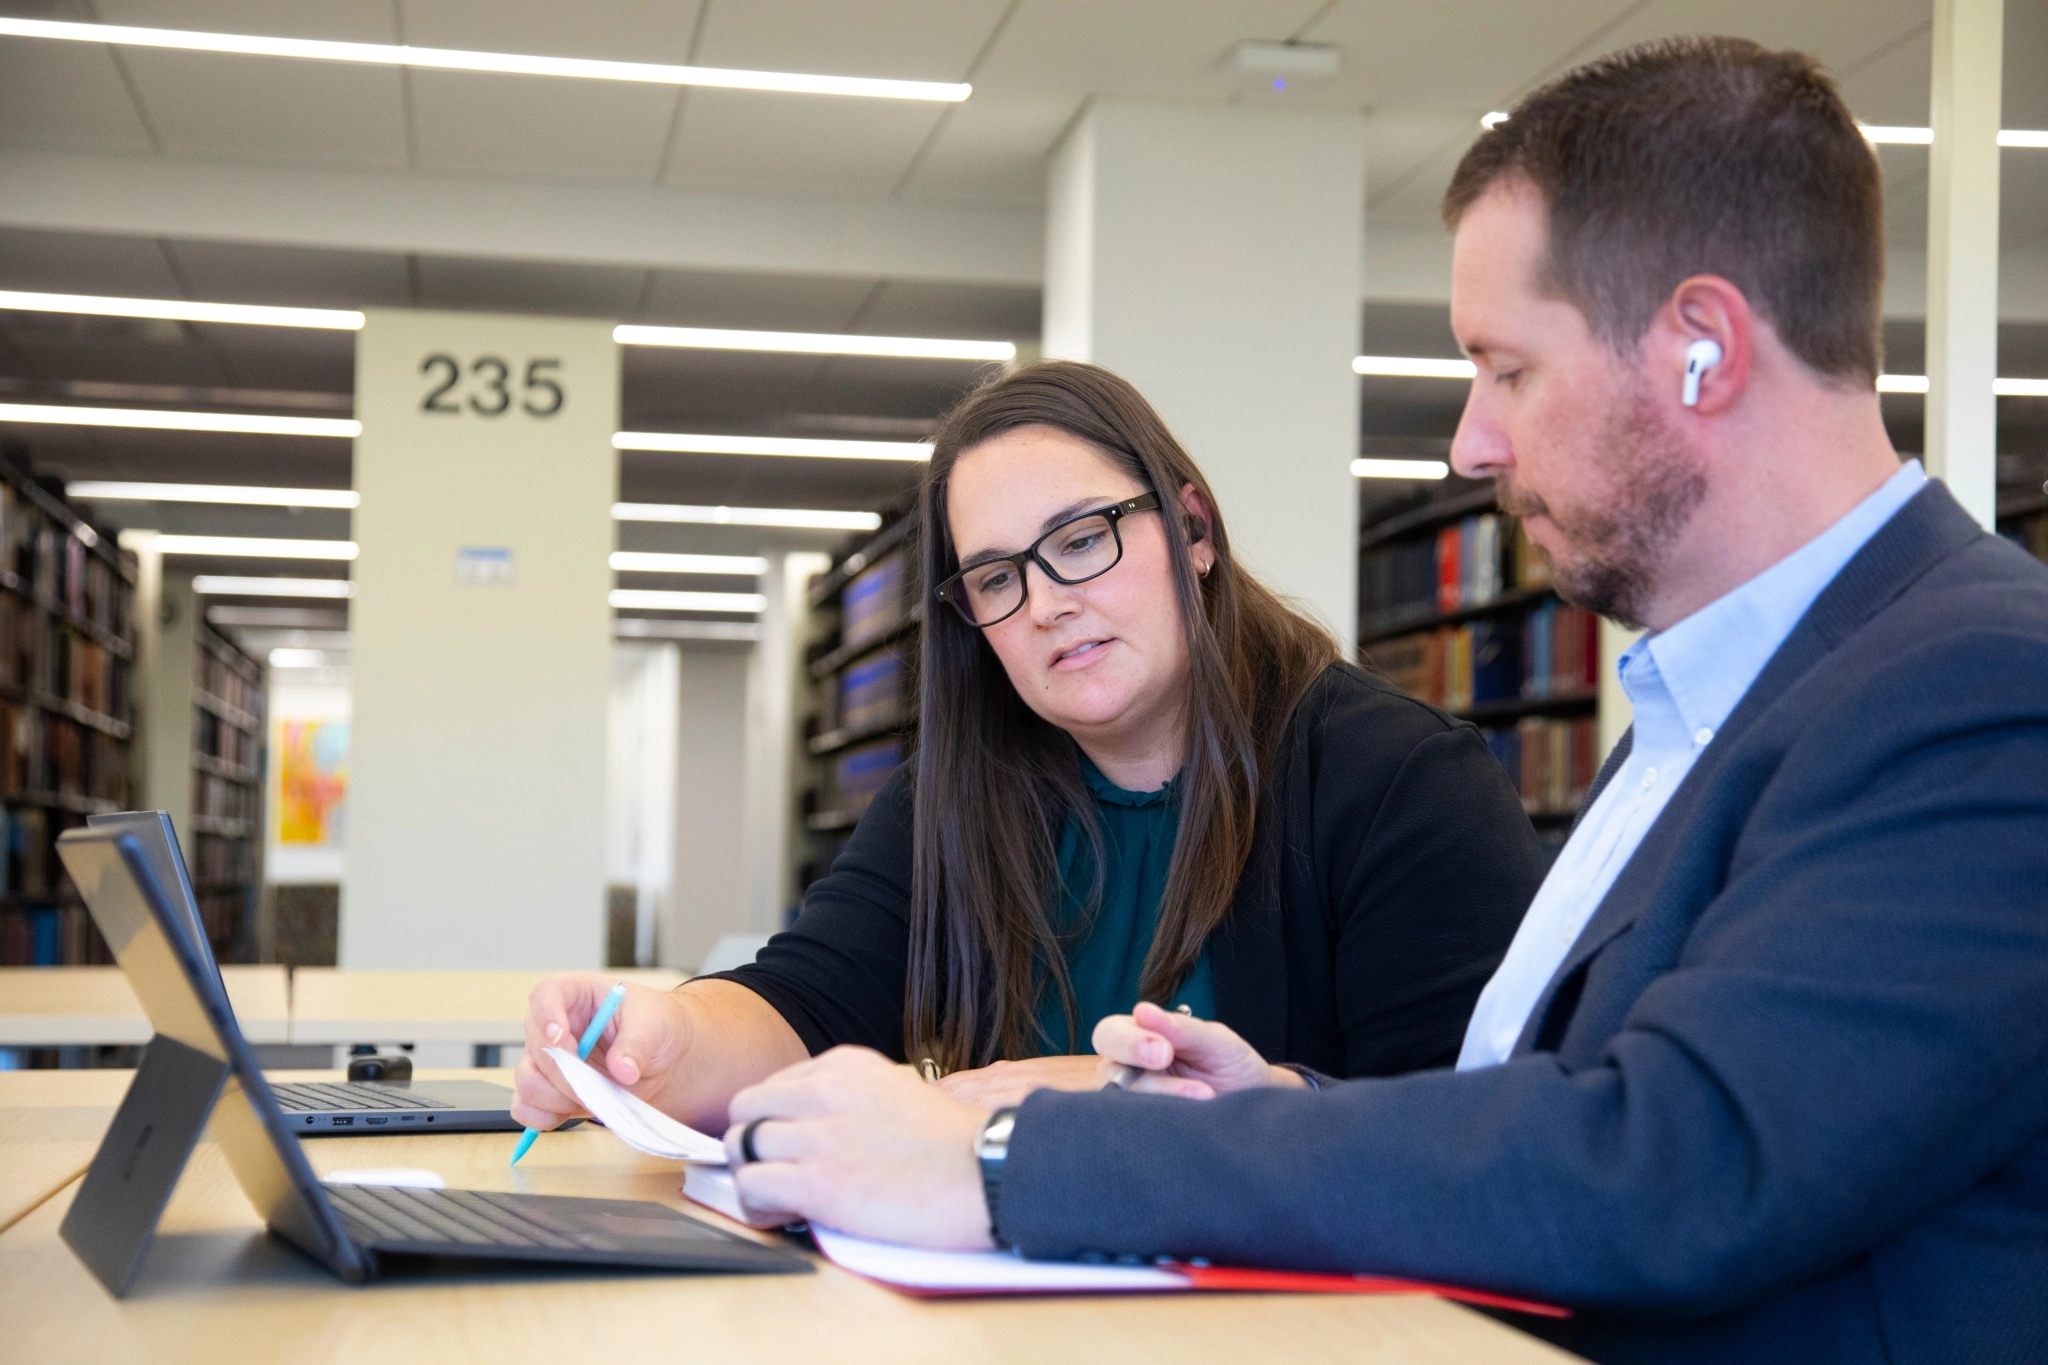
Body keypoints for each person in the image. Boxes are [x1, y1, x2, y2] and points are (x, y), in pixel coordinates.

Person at [710, 37, 2048, 1365]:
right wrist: (1278, 1103)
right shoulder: (1733, 700)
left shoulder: (1978, 686)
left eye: (1507, 368)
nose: (1471, 440)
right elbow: (1542, 1113)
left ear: (1702, 348)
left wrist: (1013, 1159)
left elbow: (1673, 1165)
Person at [513, 361, 1547, 1135]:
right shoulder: (957, 793)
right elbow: (804, 1001)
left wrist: (1106, 1105)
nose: (1048, 605)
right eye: (997, 577)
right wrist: (654, 1044)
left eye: (1081, 539)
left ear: (1191, 530)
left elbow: (1462, 1139)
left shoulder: (1397, 784)